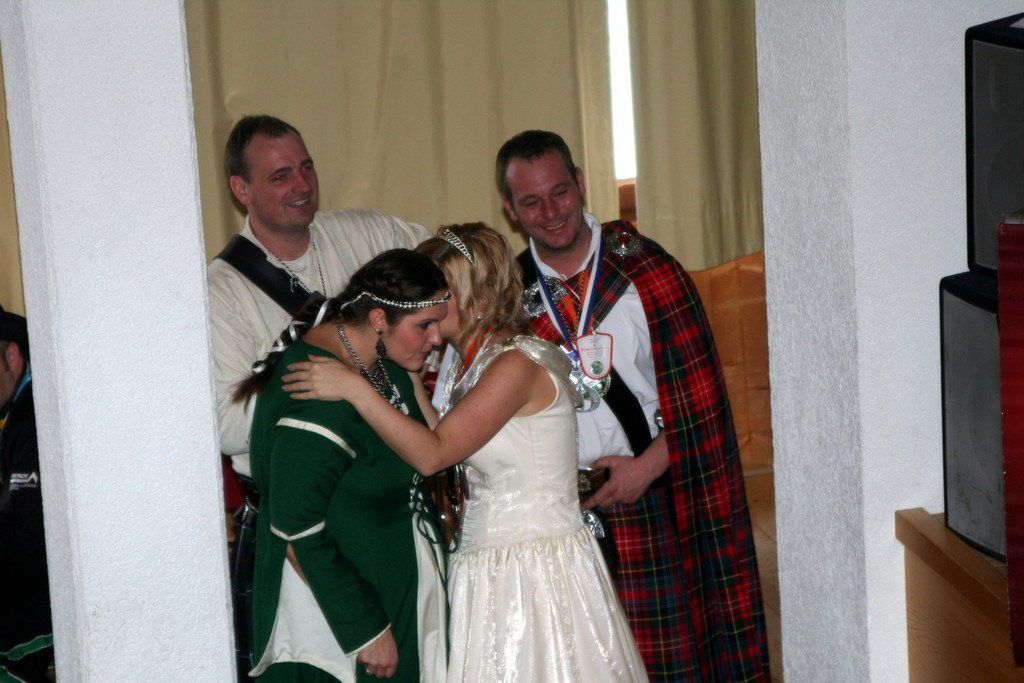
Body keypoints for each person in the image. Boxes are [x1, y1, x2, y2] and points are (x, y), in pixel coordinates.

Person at [284, 224, 648, 682]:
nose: (425, 300)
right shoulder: (469, 365)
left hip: (533, 567)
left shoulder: (516, 363)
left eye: (440, 291)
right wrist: (403, 364)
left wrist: (355, 389)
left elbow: (434, 454)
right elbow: (444, 436)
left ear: (477, 294)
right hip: (488, 561)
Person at [496, 130, 769, 681]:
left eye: (560, 192)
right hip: (560, 517)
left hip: (655, 498)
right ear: (510, 210)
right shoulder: (508, 298)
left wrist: (646, 468)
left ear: (580, 182)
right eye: (532, 201)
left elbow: (704, 405)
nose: (551, 212)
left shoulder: (648, 272)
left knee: (671, 666)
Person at [207, 114, 430, 678]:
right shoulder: (220, 290)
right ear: (241, 189)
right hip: (294, 522)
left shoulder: (367, 233)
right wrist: (325, 393)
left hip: (385, 506)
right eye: (280, 175)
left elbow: (439, 270)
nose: (302, 185)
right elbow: (225, 424)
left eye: (305, 167)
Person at [233, 249, 449, 682]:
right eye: (424, 325)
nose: (437, 338)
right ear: (378, 319)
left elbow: (433, 450)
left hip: (395, 582)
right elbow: (293, 524)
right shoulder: (314, 393)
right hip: (341, 622)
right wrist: (364, 627)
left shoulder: (382, 365)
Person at [0, 309, 53, 682]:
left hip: (41, 604)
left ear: (11, 356)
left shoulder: (37, 418)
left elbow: (22, 536)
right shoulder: (19, 410)